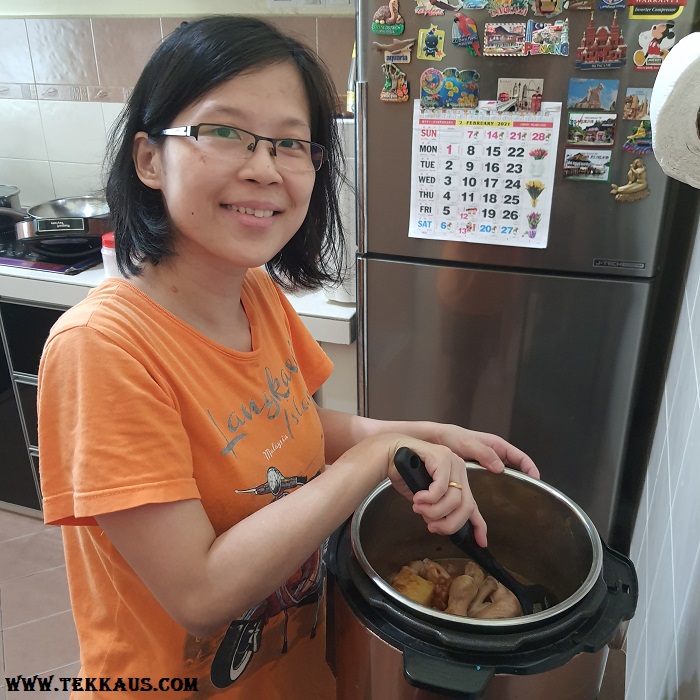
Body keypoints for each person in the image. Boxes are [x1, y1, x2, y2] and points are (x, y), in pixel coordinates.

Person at [37, 16, 539, 699]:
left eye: (290, 143)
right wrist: (371, 461)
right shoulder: (103, 348)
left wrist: (418, 434)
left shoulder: (256, 294)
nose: (264, 167)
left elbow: (294, 431)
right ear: (149, 157)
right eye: (225, 131)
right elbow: (201, 593)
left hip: (292, 672)